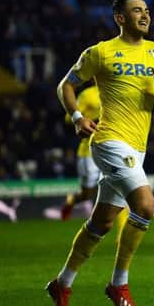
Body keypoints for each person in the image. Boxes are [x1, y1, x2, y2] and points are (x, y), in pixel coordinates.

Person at [46, 0, 154, 306]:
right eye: (137, 11)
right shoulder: (101, 53)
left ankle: (62, 283)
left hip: (137, 148)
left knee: (102, 222)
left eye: (147, 10)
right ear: (120, 18)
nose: (144, 16)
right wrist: (77, 117)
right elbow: (66, 85)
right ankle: (119, 283)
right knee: (146, 206)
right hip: (109, 140)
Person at [60, 85, 101, 221]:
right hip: (89, 150)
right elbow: (68, 118)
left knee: (118, 185)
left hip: (113, 147)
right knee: (86, 194)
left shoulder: (116, 88)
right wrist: (82, 118)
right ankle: (69, 203)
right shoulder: (88, 94)